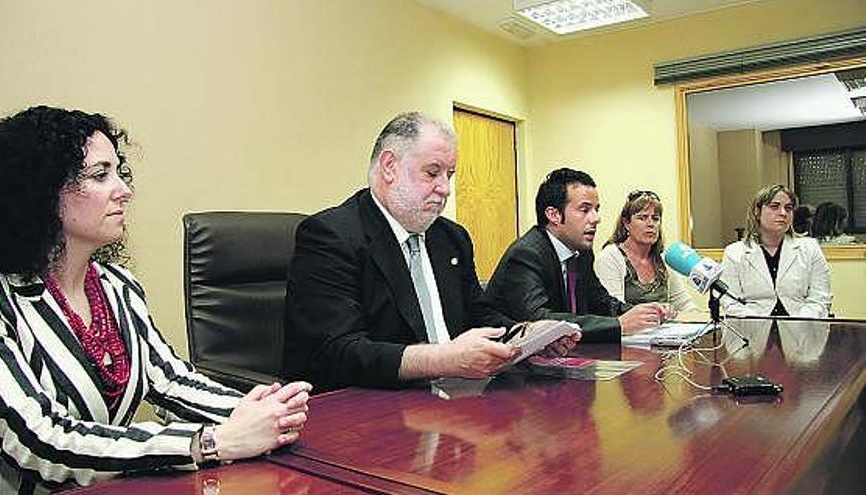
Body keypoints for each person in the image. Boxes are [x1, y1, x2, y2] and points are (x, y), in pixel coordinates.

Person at [0, 106, 311, 494]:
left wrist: (257, 411)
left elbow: (170, 381)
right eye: (100, 175)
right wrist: (207, 443)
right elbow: (40, 440)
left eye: (119, 172)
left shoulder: (117, 286)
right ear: (40, 190)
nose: (124, 189)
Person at [283, 112, 579, 391]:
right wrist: (442, 359)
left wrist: (527, 334)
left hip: (453, 400)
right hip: (367, 409)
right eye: (432, 173)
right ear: (389, 167)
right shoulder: (331, 235)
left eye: (449, 175)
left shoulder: (450, 237)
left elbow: (477, 313)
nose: (445, 188)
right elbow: (335, 352)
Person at [486, 168, 672, 342]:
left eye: (596, 209)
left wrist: (644, 314)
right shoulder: (526, 254)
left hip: (564, 357)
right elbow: (539, 320)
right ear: (554, 215)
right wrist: (619, 325)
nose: (596, 218)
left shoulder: (581, 252)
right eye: (585, 210)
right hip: (509, 365)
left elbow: (600, 302)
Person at [720, 184, 831, 318]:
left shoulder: (810, 248)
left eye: (788, 208)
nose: (783, 213)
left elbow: (820, 298)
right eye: (774, 207)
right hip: (752, 331)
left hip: (801, 329)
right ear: (757, 212)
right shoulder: (734, 253)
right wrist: (760, 326)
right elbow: (730, 302)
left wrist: (799, 325)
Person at [595, 190, 697, 314]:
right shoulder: (611, 257)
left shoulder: (664, 258)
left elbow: (684, 304)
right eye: (643, 218)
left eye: (655, 218)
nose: (651, 224)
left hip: (667, 332)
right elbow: (613, 311)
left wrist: (701, 321)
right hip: (629, 332)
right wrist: (657, 313)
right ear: (626, 223)